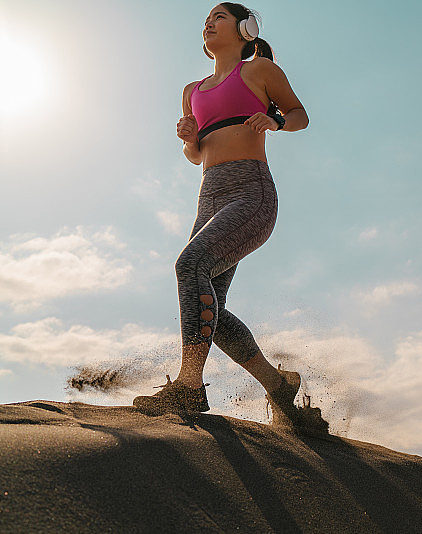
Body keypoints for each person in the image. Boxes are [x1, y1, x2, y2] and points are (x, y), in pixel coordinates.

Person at [133, 3, 309, 424]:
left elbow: (300, 115)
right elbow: (195, 157)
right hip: (208, 198)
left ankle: (189, 386)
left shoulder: (260, 71)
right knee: (211, 302)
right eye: (206, 19)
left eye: (220, 17)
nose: (209, 22)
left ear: (245, 29)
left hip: (251, 193)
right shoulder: (191, 90)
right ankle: (277, 383)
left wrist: (275, 122)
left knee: (189, 264)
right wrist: (188, 138)